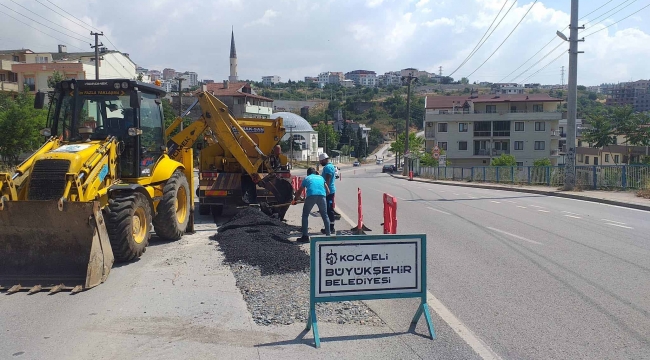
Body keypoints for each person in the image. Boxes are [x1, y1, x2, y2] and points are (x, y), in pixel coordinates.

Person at [294, 167, 330, 243]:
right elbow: (328, 191)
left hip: (311, 196)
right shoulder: (321, 177)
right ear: (315, 173)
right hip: (322, 196)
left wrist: (295, 200)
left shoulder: (307, 178)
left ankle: (305, 236)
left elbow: (300, 191)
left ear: (308, 173)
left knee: (305, 215)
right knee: (325, 215)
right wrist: (321, 196)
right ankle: (328, 235)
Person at [318, 153, 336, 234]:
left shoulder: (328, 167)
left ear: (324, 160)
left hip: (329, 192)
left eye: (321, 161)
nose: (321, 163)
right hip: (329, 191)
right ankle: (328, 227)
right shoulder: (329, 166)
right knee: (328, 209)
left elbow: (327, 180)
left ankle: (331, 228)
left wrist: (326, 191)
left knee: (329, 209)